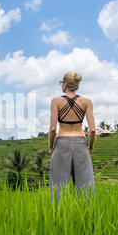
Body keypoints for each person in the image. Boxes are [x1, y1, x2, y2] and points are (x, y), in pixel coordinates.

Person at [48, 72, 96, 203]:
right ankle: (86, 215)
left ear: (65, 84)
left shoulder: (56, 101)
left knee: (58, 187)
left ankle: (56, 216)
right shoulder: (86, 102)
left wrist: (51, 147)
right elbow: (92, 130)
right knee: (85, 187)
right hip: (81, 142)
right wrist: (90, 146)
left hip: (61, 142)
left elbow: (52, 129)